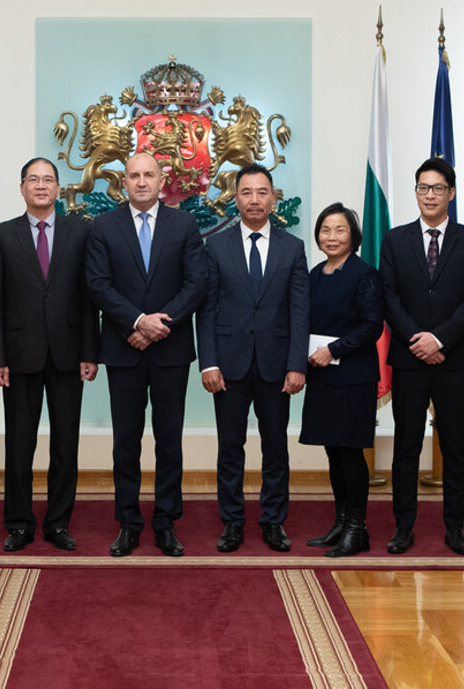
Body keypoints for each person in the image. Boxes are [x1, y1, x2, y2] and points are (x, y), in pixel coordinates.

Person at [85, 152, 206, 557]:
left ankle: (167, 522)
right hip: (124, 350)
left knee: (169, 441)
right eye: (133, 176)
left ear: (161, 180)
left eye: (148, 175)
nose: (141, 182)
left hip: (170, 351)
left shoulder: (184, 223)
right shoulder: (104, 226)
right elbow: (98, 284)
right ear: (124, 182)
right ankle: (128, 523)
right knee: (126, 442)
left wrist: (158, 325)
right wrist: (137, 322)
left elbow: (196, 282)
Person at [0, 158, 100, 552]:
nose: (40, 186)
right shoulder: (0, 236)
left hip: (69, 353)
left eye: (48, 180)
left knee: (65, 445)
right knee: (20, 445)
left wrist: (91, 350)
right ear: (22, 188)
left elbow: (89, 297)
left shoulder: (80, 232)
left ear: (58, 188)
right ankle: (18, 524)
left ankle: (57, 523)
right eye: (32, 180)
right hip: (18, 357)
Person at [196, 165, 308, 553]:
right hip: (228, 365)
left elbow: (299, 311)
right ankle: (232, 522)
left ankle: (274, 521)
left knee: (275, 446)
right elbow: (206, 309)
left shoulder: (292, 248)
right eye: (247, 192)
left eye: (262, 192)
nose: (255, 199)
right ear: (236, 198)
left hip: (278, 366)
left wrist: (298, 364)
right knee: (230, 447)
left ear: (273, 198)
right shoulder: (217, 245)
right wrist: (208, 362)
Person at [379, 157, 464, 555]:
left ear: (451, 193)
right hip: (409, 360)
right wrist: (417, 340)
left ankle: (455, 529)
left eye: (437, 188)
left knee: (455, 447)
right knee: (406, 446)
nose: (429, 195)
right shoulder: (394, 240)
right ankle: (402, 528)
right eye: (423, 187)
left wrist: (439, 340)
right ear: (415, 192)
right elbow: (388, 297)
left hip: (454, 361)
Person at [299, 203, 383, 557]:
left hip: (352, 376)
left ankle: (357, 529)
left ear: (353, 236)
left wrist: (332, 349)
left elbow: (372, 325)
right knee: (333, 452)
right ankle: (341, 521)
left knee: (350, 453)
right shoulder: (316, 274)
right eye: (325, 230)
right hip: (322, 376)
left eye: (340, 230)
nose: (331, 237)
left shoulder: (364, 274)